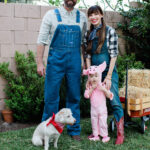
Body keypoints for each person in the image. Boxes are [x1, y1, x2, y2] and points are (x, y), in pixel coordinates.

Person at [36, 0, 87, 141]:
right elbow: (41, 40)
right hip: (55, 63)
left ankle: (74, 129)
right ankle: (47, 129)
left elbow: (83, 43)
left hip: (75, 62)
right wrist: (40, 63)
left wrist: (84, 62)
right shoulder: (51, 15)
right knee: (51, 97)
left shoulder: (82, 17)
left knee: (74, 97)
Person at [82, 5, 124, 144]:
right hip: (94, 74)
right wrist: (90, 76)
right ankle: (97, 132)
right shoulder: (88, 34)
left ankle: (120, 133)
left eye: (95, 14)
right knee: (96, 103)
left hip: (107, 73)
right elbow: (87, 56)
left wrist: (108, 76)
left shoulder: (110, 31)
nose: (93, 17)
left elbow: (113, 55)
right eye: (90, 15)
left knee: (114, 101)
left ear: (101, 15)